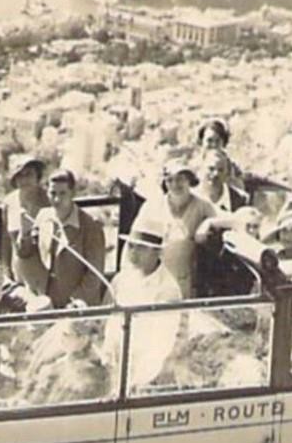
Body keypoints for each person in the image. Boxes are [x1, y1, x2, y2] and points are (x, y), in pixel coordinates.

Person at [100, 217, 184, 388]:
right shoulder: (122, 278)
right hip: (112, 366)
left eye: (141, 247)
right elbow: (109, 322)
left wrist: (134, 381)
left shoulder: (168, 291)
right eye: (131, 246)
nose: (134, 253)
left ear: (157, 252)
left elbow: (160, 347)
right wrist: (106, 357)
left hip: (140, 379)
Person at [16, 169, 108, 309]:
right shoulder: (43, 216)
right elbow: (26, 253)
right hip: (47, 303)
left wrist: (76, 303)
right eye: (53, 193)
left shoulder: (90, 226)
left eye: (62, 193)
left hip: (78, 307)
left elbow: (94, 274)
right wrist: (24, 232)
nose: (57, 199)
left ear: (73, 193)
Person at [135, 160, 218, 298]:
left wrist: (208, 223)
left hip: (184, 280)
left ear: (189, 180)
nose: (174, 184)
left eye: (180, 179)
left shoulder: (202, 205)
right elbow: (134, 239)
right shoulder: (152, 205)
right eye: (169, 180)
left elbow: (228, 219)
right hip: (153, 277)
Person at [3, 155, 50, 281]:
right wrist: (6, 271)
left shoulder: (49, 200)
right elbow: (6, 241)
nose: (24, 180)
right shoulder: (9, 202)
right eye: (20, 175)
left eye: (28, 174)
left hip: (46, 274)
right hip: (19, 273)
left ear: (37, 176)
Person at [198, 148, 248, 214]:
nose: (216, 174)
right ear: (202, 169)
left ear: (227, 174)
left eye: (221, 170)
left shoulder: (241, 199)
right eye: (211, 169)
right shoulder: (189, 196)